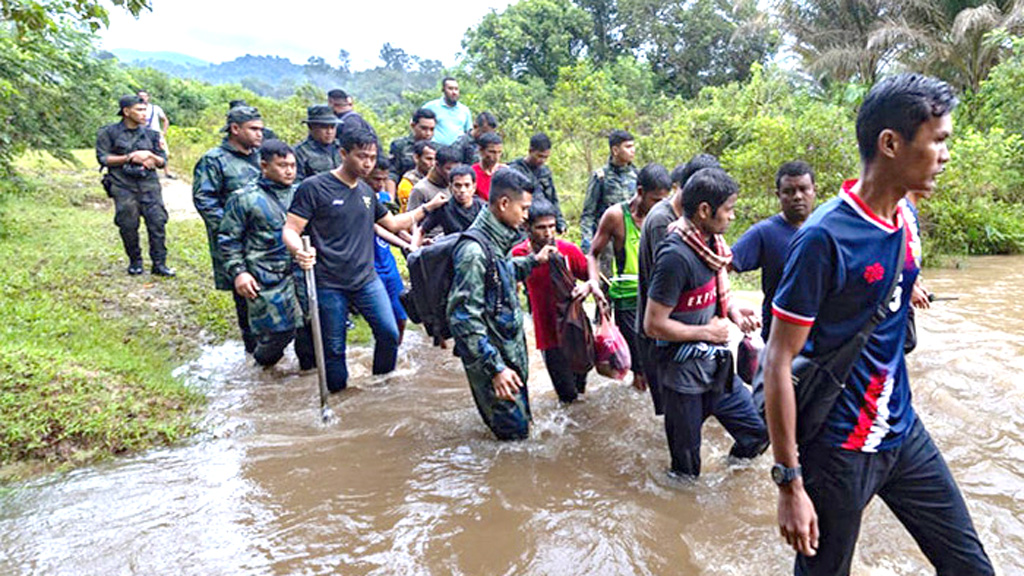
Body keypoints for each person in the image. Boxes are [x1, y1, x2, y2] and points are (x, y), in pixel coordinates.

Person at [762, 74, 993, 575]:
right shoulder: (824, 238)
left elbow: (885, 284)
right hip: (839, 451)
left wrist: (904, 289)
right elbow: (777, 359)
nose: (945, 155)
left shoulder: (907, 216)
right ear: (891, 143)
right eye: (938, 141)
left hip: (904, 434)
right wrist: (789, 483)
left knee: (972, 568)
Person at [283, 128, 448, 393]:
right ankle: (340, 398)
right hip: (328, 282)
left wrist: (426, 209)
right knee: (334, 348)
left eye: (372, 157)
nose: (368, 163)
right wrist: (298, 250)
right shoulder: (314, 187)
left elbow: (393, 223)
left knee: (389, 333)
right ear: (343, 153)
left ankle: (380, 388)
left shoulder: (366, 193)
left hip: (365, 279)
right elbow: (291, 229)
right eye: (361, 156)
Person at [644, 167, 769, 478]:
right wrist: (706, 332)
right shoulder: (676, 256)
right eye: (728, 209)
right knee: (686, 473)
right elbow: (653, 324)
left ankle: (729, 478)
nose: (732, 216)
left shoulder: (711, 247)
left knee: (757, 435)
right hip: (682, 379)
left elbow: (710, 295)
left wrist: (733, 311)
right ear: (704, 210)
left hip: (717, 371)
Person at [448, 168, 558, 440]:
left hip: (507, 355)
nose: (526, 216)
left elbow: (501, 275)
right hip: (494, 363)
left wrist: (533, 261)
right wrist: (494, 369)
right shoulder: (474, 251)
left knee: (521, 432)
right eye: (524, 208)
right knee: (513, 442)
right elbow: (463, 318)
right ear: (504, 203)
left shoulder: (497, 239)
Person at [216, 140, 315, 369]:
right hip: (267, 278)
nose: (289, 170)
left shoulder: (303, 193)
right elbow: (228, 240)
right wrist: (239, 273)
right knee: (278, 334)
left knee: (310, 336)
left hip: (303, 273)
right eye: (282, 165)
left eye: (292, 165)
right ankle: (260, 365)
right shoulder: (244, 198)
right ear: (264, 166)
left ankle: (305, 383)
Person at [637, 154, 721, 415]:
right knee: (674, 415)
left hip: (686, 331)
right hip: (664, 334)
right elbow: (676, 283)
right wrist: (706, 331)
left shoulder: (692, 225)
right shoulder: (665, 224)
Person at [584, 163, 671, 392]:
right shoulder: (616, 216)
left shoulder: (667, 217)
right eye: (655, 200)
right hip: (628, 300)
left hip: (660, 299)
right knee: (640, 371)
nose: (660, 207)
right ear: (640, 192)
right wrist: (594, 283)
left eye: (664, 200)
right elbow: (592, 254)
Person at [193, 105, 264, 352]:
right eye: (253, 129)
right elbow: (205, 200)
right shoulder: (215, 160)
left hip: (265, 239)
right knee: (246, 294)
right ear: (235, 129)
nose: (259, 134)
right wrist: (232, 227)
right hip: (235, 241)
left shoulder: (260, 157)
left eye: (261, 129)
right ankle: (253, 352)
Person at [512, 200, 593, 404]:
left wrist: (588, 286)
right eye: (541, 228)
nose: (548, 233)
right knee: (567, 396)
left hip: (575, 328)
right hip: (548, 334)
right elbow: (508, 283)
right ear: (527, 227)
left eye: (551, 226)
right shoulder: (520, 255)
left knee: (581, 391)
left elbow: (592, 274)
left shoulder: (568, 250)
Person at [731, 161, 817, 342]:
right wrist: (731, 306)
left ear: (813, 190)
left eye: (803, 189)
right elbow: (721, 267)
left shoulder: (826, 229)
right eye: (789, 191)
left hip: (821, 340)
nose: (797, 196)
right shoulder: (764, 233)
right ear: (778, 195)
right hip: (778, 339)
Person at [96, 94, 173, 277]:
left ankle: (159, 264)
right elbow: (103, 158)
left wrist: (152, 157)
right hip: (123, 185)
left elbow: (163, 160)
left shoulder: (152, 134)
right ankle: (135, 261)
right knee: (127, 224)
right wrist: (130, 157)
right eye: (139, 110)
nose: (144, 113)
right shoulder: (108, 133)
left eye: (145, 109)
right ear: (126, 111)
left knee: (157, 222)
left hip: (149, 184)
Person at [365, 157, 412, 343]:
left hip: (388, 265)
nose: (381, 184)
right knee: (383, 321)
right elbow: (379, 229)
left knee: (401, 315)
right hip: (369, 266)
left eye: (384, 179)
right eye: (376, 179)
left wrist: (412, 241)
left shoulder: (384, 198)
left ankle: (396, 351)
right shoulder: (360, 199)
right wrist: (406, 245)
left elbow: (394, 225)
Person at [580, 130, 637, 254]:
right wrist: (587, 242)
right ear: (615, 150)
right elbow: (588, 213)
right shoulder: (601, 177)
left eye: (633, 146)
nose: (633, 150)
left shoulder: (637, 175)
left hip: (631, 239)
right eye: (628, 147)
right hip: (606, 241)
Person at [412, 165, 486, 246]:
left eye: (467, 185)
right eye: (458, 185)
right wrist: (414, 249)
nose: (462, 190)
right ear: (450, 187)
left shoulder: (483, 208)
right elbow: (421, 230)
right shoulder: (444, 208)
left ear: (474, 187)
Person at [509, 132, 565, 233]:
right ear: (531, 151)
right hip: (524, 222)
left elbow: (553, 198)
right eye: (539, 156)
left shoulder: (545, 172)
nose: (542, 160)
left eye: (545, 157)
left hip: (544, 219)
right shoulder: (514, 171)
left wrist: (560, 222)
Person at [388, 107, 437, 188]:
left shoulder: (436, 149)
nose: (428, 133)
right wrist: (391, 197)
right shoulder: (400, 146)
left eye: (432, 129)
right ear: (413, 126)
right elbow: (392, 174)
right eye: (424, 128)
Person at [293, 105, 341, 183]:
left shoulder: (343, 148)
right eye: (324, 127)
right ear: (311, 127)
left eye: (332, 127)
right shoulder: (300, 152)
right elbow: (297, 182)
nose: (329, 132)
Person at [408, 145, 460, 212]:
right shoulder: (420, 190)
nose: (453, 172)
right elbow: (412, 219)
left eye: (456, 168)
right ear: (437, 165)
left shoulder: (457, 186)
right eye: (449, 169)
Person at [422, 76, 472, 146]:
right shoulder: (431, 107)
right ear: (443, 90)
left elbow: (469, 132)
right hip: (435, 150)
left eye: (456, 89)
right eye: (450, 89)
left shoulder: (465, 110)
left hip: (458, 152)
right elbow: (415, 123)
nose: (454, 92)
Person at [136, 89, 173, 178]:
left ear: (148, 97)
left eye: (144, 96)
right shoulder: (135, 108)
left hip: (156, 134)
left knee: (164, 152)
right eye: (140, 96)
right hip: (140, 134)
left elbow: (165, 120)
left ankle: (167, 172)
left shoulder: (155, 108)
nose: (142, 98)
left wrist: (163, 133)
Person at [397, 140, 436, 213]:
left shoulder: (439, 179)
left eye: (435, 159)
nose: (433, 163)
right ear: (416, 158)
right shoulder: (407, 183)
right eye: (429, 159)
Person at [471, 132, 506, 201]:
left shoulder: (504, 172)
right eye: (492, 152)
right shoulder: (472, 173)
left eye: (499, 152)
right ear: (481, 151)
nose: (496, 157)